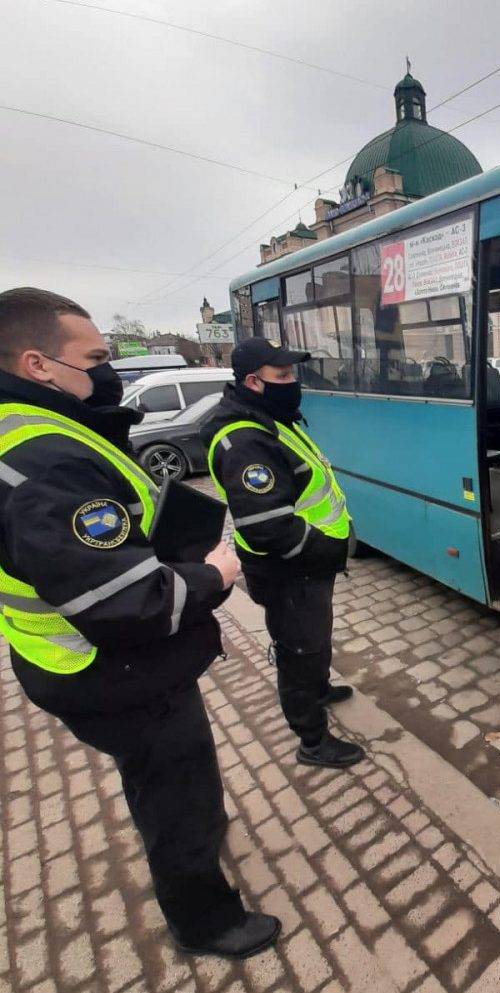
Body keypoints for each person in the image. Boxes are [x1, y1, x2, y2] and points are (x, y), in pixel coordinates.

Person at [0, 288, 280, 958]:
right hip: (114, 669)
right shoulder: (44, 456)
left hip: (79, 664)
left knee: (158, 775)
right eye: (93, 357)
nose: (106, 371)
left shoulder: (37, 428)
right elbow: (127, 601)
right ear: (39, 364)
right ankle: (205, 918)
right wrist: (214, 574)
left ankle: (194, 851)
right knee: (176, 792)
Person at [202, 338, 364, 770]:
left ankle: (320, 689)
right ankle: (312, 740)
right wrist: (327, 548)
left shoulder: (269, 417)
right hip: (289, 571)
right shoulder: (244, 441)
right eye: (284, 376)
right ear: (254, 381)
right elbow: (268, 527)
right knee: (299, 653)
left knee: (315, 641)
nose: (294, 383)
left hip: (310, 567)